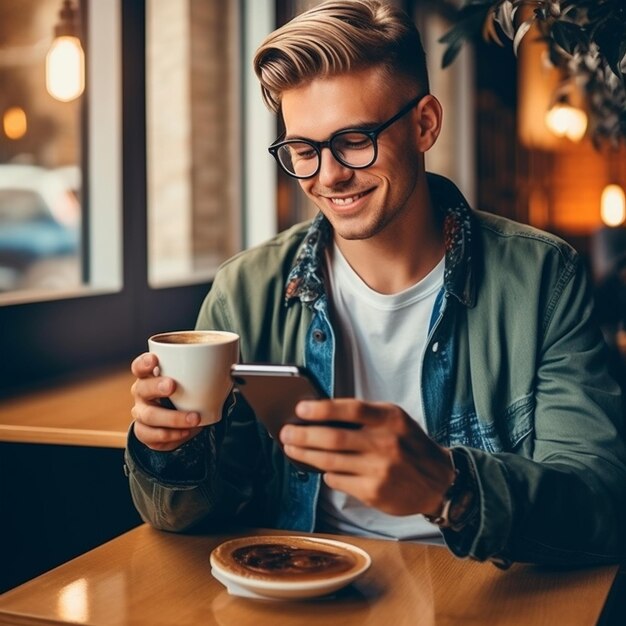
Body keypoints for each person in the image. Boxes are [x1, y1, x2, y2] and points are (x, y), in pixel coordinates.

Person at [126, 0, 626, 567]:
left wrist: (449, 489)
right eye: (303, 150)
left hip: (479, 589)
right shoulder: (245, 288)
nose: (329, 175)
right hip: (304, 588)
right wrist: (168, 448)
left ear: (425, 125)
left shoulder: (542, 280)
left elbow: (602, 504)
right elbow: (191, 515)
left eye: (355, 139)